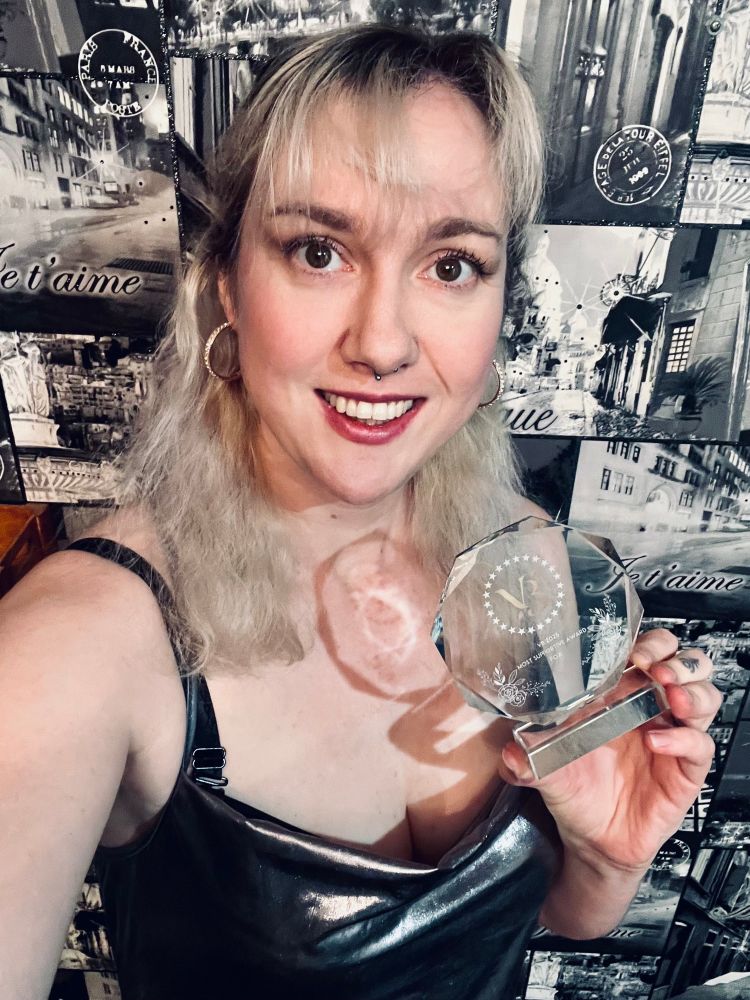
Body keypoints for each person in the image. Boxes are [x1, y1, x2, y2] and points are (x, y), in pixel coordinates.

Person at [0, 25, 720, 1000]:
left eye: (452, 264)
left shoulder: (535, 558)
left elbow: (556, 916)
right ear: (226, 288)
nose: (381, 342)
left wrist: (607, 854)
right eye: (319, 250)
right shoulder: (82, 642)